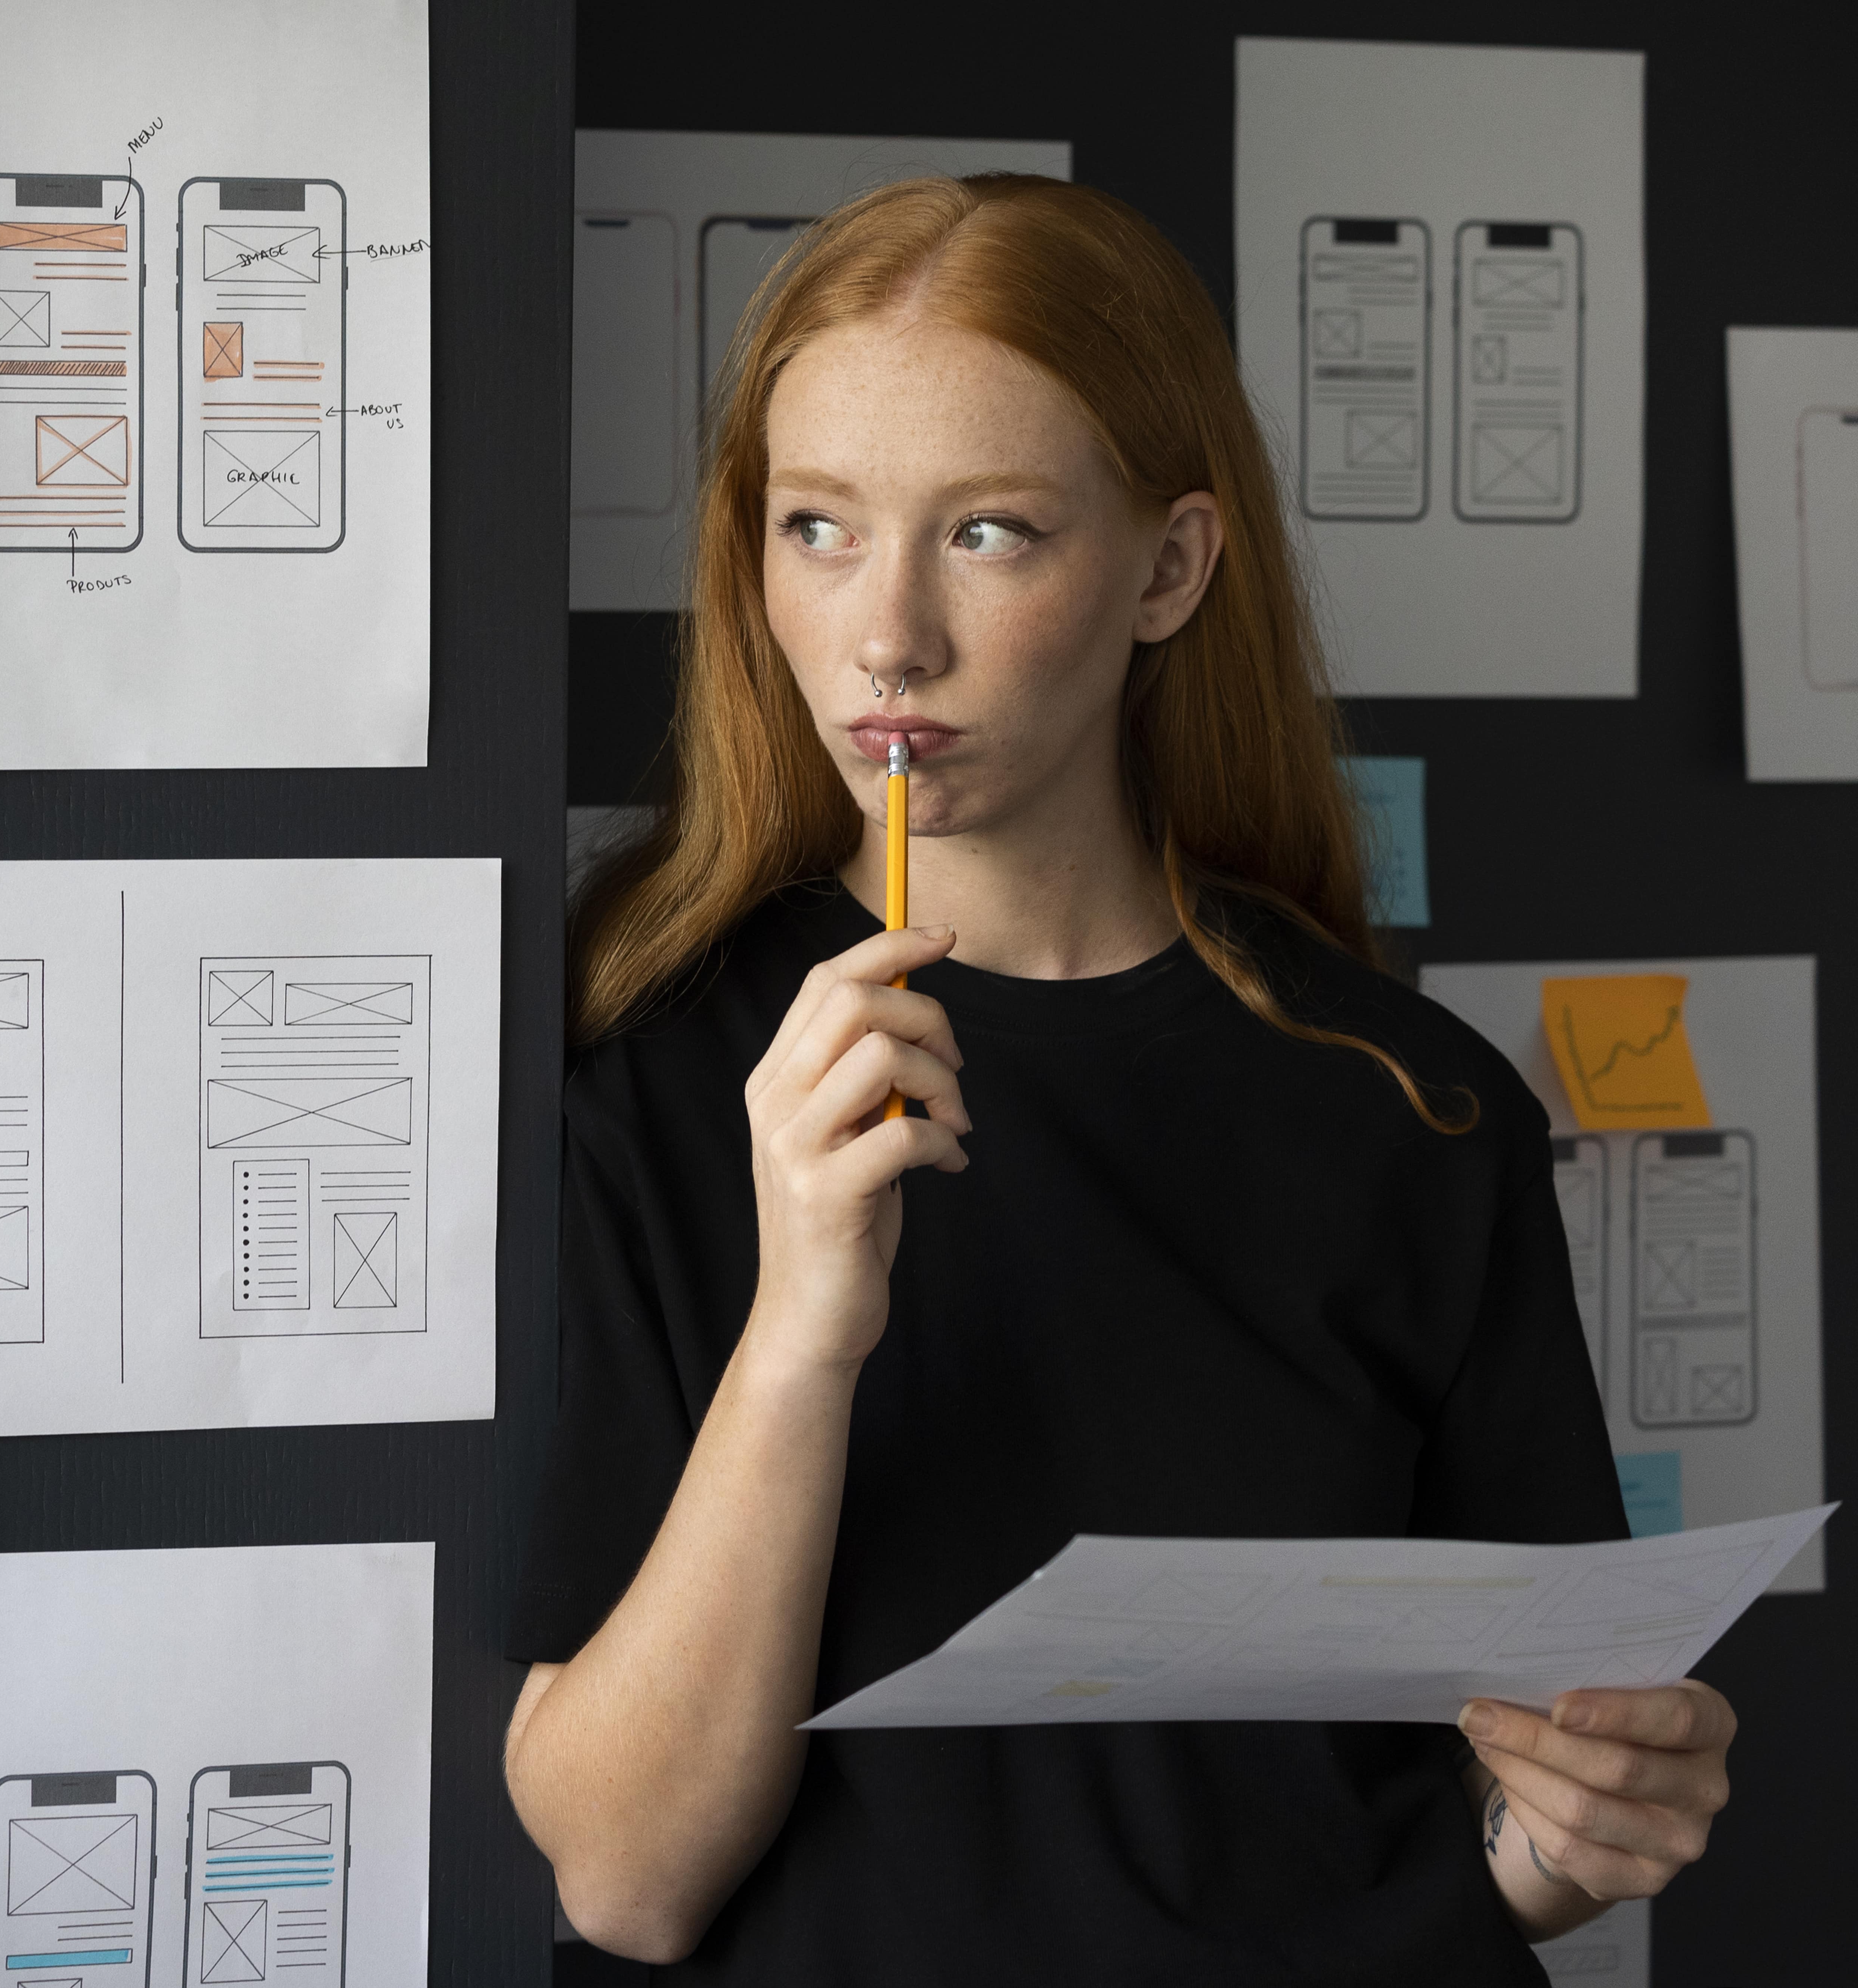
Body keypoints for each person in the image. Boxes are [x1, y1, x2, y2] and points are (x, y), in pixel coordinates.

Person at [502, 174, 1736, 1983]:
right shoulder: (631, 1072)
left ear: (1166, 568)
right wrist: (799, 1334)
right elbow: (622, 1877)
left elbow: (1500, 1803)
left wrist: (1574, 1837)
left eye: (987, 533)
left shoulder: (1416, 1107)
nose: (886, 635)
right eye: (817, 527)